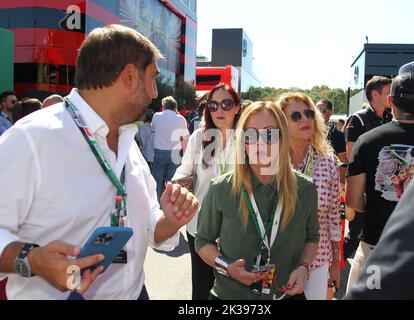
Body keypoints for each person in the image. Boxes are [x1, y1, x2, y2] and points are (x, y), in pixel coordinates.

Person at [0, 24, 199, 300]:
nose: (155, 93)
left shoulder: (129, 142)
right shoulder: (32, 138)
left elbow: (149, 224)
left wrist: (171, 220)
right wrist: (32, 260)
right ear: (129, 76)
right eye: (152, 78)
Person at [195, 101, 320, 300]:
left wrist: (304, 268)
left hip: (286, 295)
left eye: (270, 134)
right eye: (251, 135)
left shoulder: (305, 189)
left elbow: (312, 237)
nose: (260, 143)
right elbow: (202, 241)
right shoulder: (220, 188)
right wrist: (227, 267)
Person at [345, 100, 414, 299]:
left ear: (390, 102)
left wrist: (374, 205)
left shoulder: (367, 140)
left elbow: (352, 200)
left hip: (375, 246)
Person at [172, 82, 241, 300]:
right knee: (202, 288)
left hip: (237, 228)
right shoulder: (198, 138)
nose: (219, 110)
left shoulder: (248, 139)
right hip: (200, 227)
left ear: (237, 107)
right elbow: (183, 171)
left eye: (226, 104)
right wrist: (176, 186)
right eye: (213, 105)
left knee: (232, 290)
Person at [279, 93, 341, 300]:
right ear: (282, 124)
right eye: (295, 116)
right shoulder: (271, 162)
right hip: (279, 259)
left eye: (309, 113)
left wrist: (335, 262)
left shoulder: (327, 161)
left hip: (318, 259)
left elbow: (334, 216)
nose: (305, 119)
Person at [343, 76, 392, 261]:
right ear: (374, 94)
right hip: (362, 191)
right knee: (355, 235)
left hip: (381, 191)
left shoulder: (387, 118)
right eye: (388, 93)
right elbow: (351, 157)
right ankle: (333, 272)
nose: (391, 97)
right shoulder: (358, 119)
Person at [151, 96, 190, 199]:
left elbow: (152, 129)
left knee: (156, 180)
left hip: (159, 151)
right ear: (175, 106)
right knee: (172, 181)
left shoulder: (156, 116)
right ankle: (170, 202)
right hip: (175, 152)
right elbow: (185, 137)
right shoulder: (181, 119)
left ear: (163, 106)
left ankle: (155, 203)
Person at [316, 99, 346, 163]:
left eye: (322, 110)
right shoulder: (308, 133)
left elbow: (343, 162)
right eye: (315, 111)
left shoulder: (338, 134)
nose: (317, 114)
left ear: (330, 113)